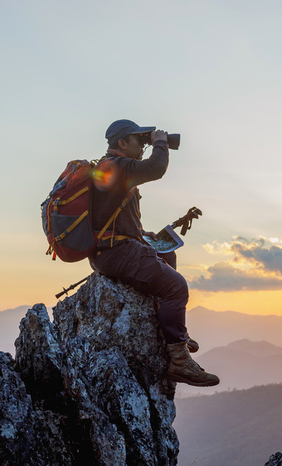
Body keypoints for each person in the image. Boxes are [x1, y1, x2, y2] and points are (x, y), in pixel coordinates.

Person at [88, 118, 219, 387]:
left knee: (166, 255)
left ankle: (171, 329)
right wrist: (160, 142)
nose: (143, 146)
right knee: (176, 286)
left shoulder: (110, 166)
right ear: (122, 143)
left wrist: (140, 232)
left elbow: (110, 212)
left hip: (113, 247)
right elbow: (156, 168)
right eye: (139, 140)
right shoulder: (117, 166)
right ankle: (179, 362)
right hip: (115, 252)